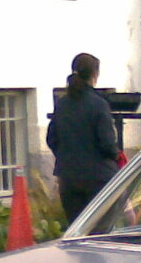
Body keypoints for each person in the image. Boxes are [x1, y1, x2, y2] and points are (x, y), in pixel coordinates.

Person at [46, 52, 120, 224]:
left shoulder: (62, 104)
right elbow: (107, 145)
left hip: (69, 178)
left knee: (75, 234)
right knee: (100, 233)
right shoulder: (99, 104)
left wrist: (66, 156)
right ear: (95, 75)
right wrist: (116, 155)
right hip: (99, 178)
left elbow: (51, 138)